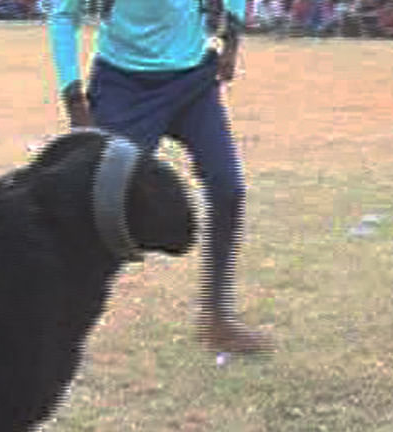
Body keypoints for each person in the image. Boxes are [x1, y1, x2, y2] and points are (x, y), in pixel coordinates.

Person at [47, 0, 274, 355]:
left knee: (227, 187)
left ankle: (217, 317)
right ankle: (51, 319)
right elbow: (63, 15)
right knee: (103, 208)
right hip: (123, 85)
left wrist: (232, 39)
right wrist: (75, 101)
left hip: (192, 82)